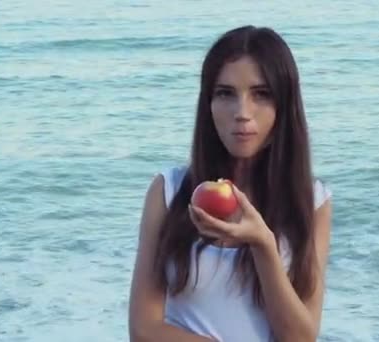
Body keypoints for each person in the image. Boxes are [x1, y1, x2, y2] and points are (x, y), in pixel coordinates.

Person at [128, 25, 332, 342]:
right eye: (225, 93)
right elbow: (143, 331)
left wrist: (263, 244)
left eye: (261, 94)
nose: (242, 113)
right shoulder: (169, 192)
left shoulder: (312, 201)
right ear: (207, 104)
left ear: (284, 105)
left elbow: (301, 338)